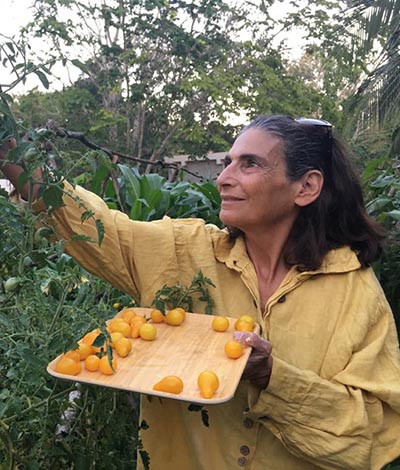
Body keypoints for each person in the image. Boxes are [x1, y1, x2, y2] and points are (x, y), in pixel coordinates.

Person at [1, 114, 400, 469]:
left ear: (306, 186)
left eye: (250, 164)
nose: (224, 177)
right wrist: (11, 150)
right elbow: (91, 224)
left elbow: (375, 434)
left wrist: (273, 379)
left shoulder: (354, 292)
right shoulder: (183, 251)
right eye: (228, 163)